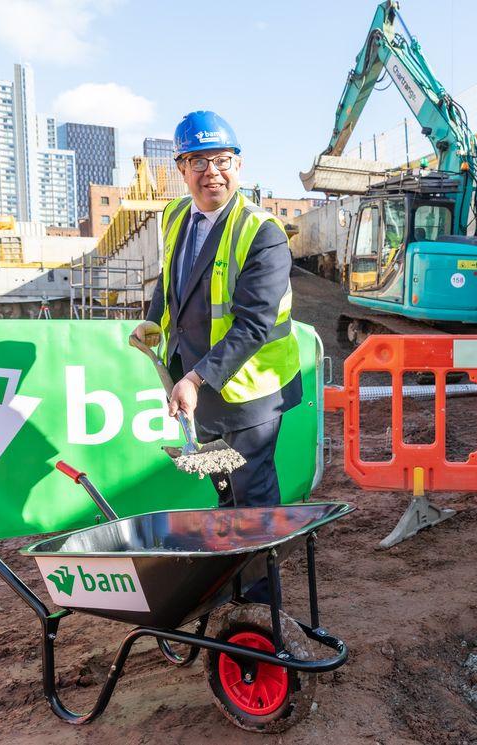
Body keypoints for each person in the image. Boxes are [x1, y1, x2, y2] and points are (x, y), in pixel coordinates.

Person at [132, 110, 302, 513]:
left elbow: (255, 324)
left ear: (238, 165)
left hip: (249, 392)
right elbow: (170, 277)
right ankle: (233, 575)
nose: (213, 172)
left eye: (223, 160)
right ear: (182, 169)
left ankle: (259, 577)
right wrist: (154, 321)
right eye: (198, 161)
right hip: (199, 388)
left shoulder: (262, 232)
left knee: (252, 500)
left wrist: (195, 379)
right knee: (225, 492)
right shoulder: (176, 216)